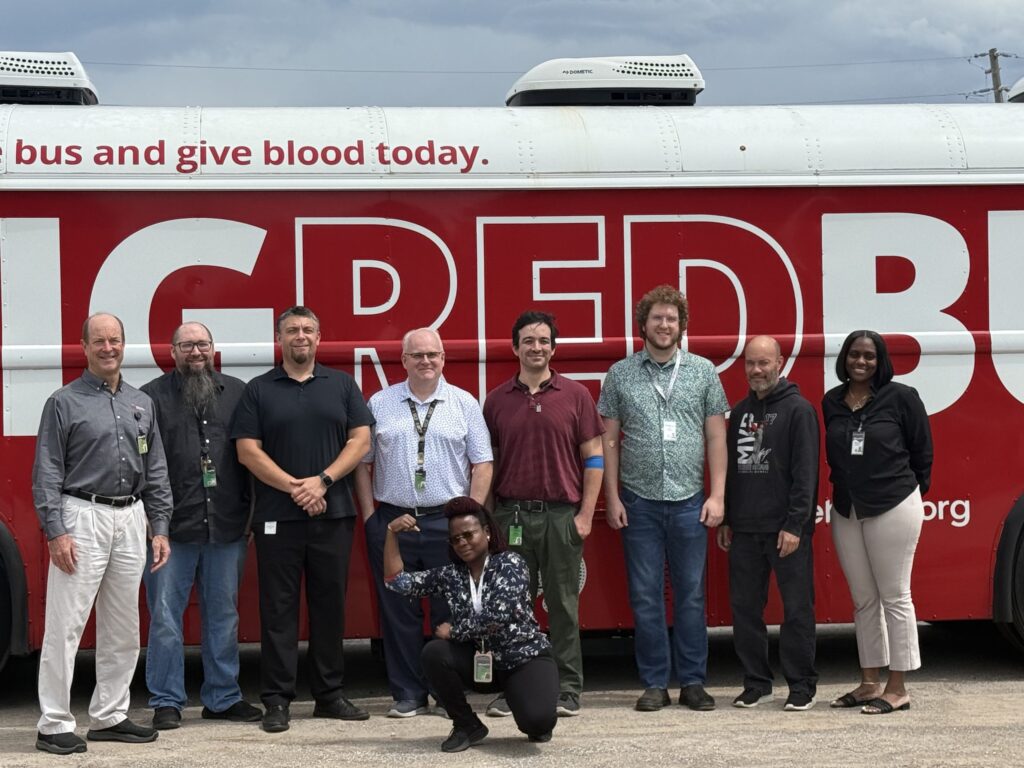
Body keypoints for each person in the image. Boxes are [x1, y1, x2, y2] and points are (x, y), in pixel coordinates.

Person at [32, 313, 173, 754]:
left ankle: (110, 714)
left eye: (115, 340)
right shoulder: (63, 402)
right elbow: (47, 472)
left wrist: (160, 526)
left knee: (123, 625)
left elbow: (156, 469)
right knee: (66, 625)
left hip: (130, 517)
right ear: (84, 346)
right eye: (99, 341)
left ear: (123, 345)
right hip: (82, 515)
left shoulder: (140, 403)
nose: (108, 348)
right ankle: (53, 722)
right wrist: (56, 531)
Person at [231, 306, 374, 733]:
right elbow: (247, 451)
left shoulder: (342, 385)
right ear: (280, 338)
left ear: (318, 337)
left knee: (330, 606)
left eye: (308, 329)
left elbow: (361, 439)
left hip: (334, 514)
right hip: (277, 517)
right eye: (292, 330)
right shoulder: (259, 390)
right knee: (279, 610)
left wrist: (323, 481)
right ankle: (277, 700)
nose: (300, 336)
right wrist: (297, 487)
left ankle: (329, 695)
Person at [598, 284, 728, 712]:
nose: (664, 324)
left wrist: (718, 495)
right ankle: (655, 682)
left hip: (692, 501)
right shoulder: (620, 374)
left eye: (671, 318)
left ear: (681, 325)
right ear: (644, 324)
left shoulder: (704, 371)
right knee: (645, 595)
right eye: (657, 318)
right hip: (638, 502)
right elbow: (609, 441)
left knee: (691, 594)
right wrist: (612, 497)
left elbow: (715, 436)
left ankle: (692, 681)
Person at [355, 328, 493, 718]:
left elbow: (482, 463)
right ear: (403, 360)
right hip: (393, 521)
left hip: (447, 523)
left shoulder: (463, 404)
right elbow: (363, 466)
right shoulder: (380, 403)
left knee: (451, 610)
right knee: (398, 611)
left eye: (433, 354)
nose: (426, 361)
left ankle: (448, 694)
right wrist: (370, 517)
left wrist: (472, 517)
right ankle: (408, 694)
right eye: (417, 355)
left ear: (444, 358)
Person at [482, 310, 604, 718]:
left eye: (544, 341)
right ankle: (515, 687)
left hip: (560, 517)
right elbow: (489, 463)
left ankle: (567, 688)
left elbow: (594, 458)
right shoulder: (496, 400)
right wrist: (488, 519)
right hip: (510, 517)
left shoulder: (576, 395)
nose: (537, 347)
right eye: (529, 341)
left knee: (563, 606)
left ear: (554, 347)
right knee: (512, 609)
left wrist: (585, 514)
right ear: (515, 347)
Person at [141, 322, 261, 730]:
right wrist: (150, 522)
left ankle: (223, 698)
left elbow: (252, 458)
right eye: (187, 344)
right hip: (170, 531)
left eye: (203, 343)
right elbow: (143, 465)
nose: (196, 351)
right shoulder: (150, 398)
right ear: (172, 351)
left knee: (223, 616)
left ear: (213, 348)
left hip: (226, 527)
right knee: (165, 617)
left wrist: (249, 518)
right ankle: (166, 700)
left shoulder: (238, 393)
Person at [384, 496, 559, 752]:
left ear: (487, 532)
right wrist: (391, 532)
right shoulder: (452, 575)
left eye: (468, 534)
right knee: (435, 653)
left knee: (537, 723)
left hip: (523, 659)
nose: (462, 543)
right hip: (482, 661)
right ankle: (467, 725)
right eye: (455, 539)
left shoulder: (510, 563)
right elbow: (396, 582)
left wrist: (455, 631)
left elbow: (499, 616)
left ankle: (525, 701)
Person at [822, 330, 932, 715]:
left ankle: (897, 687)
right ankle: (870, 682)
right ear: (845, 359)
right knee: (863, 600)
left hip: (893, 504)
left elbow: (922, 453)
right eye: (855, 354)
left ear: (880, 360)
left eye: (869, 356)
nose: (861, 362)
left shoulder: (901, 398)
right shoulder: (832, 401)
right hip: (847, 509)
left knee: (895, 596)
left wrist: (909, 493)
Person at [717, 336, 819, 711]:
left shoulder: (799, 411)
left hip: (786, 531)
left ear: (780, 362)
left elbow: (805, 474)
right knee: (745, 610)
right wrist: (727, 518)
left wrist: (795, 525)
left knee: (796, 610)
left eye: (764, 363)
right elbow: (730, 471)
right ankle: (756, 683)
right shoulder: (740, 412)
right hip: (744, 530)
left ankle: (802, 685)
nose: (757, 370)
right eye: (750, 364)